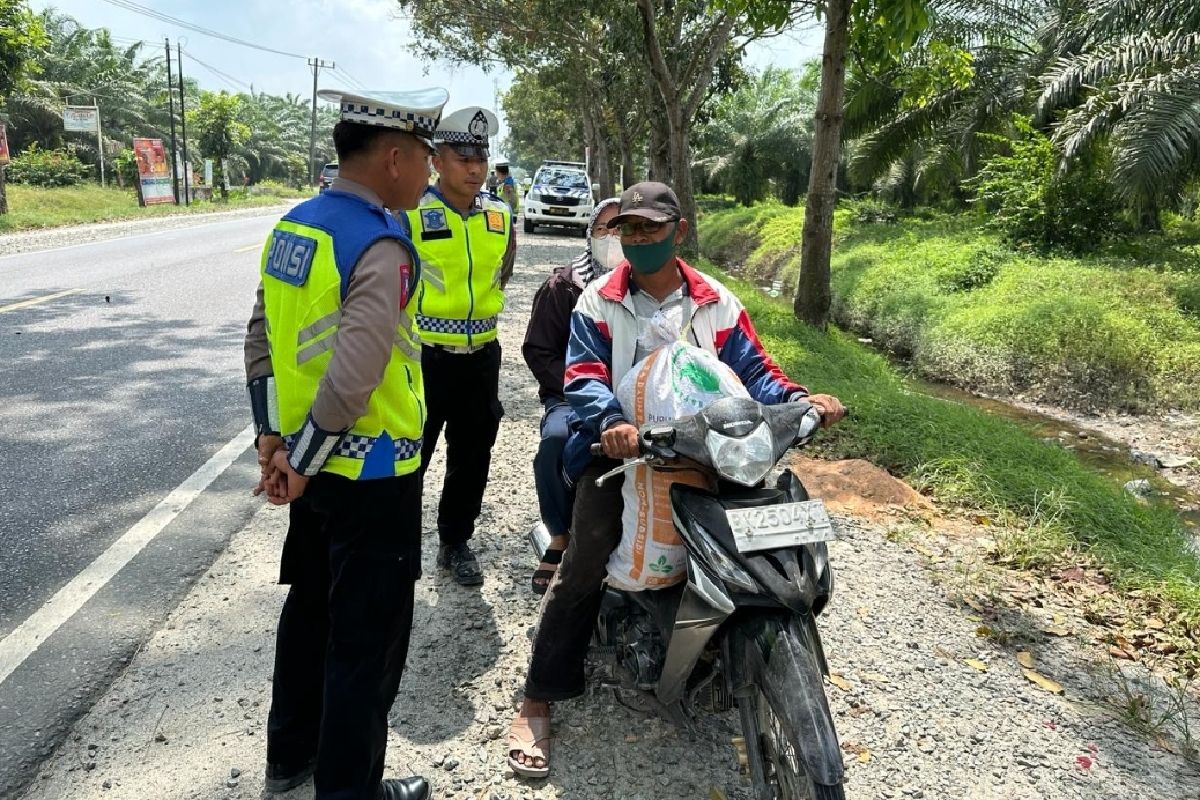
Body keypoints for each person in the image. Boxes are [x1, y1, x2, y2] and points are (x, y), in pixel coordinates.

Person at [507, 182, 846, 777]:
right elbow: (582, 374)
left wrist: (799, 401)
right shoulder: (598, 301)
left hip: (716, 451)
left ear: (677, 231)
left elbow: (756, 369)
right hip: (624, 454)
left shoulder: (717, 302)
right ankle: (537, 697)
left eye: (651, 229)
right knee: (585, 560)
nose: (638, 240)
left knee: (772, 546)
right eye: (629, 230)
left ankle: (746, 652)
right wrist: (612, 422)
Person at [243, 87, 449, 800]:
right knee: (367, 646)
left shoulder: (294, 228)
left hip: (309, 465)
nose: (430, 169)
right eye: (425, 155)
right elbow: (356, 376)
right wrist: (296, 464)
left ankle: (290, 764)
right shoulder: (382, 242)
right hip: (373, 477)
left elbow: (261, 338)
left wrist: (274, 444)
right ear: (394, 158)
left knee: (309, 615)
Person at [405, 107, 516, 587]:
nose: (474, 167)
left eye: (481, 157)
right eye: (462, 156)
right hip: (424, 356)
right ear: (437, 161)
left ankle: (455, 540)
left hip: (482, 357)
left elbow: (502, 274)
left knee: (473, 453)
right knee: (413, 453)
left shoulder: (500, 216)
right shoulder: (411, 214)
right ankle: (400, 546)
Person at [521, 197, 622, 594]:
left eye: (623, 228)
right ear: (590, 233)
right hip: (569, 396)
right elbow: (538, 350)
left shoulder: (645, 289)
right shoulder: (563, 286)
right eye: (605, 228)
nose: (613, 237)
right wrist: (580, 390)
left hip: (632, 397)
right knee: (556, 442)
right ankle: (558, 536)